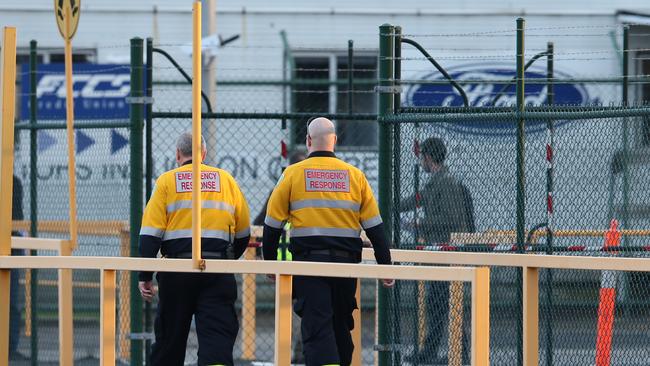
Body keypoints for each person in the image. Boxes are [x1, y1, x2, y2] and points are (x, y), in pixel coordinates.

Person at [262, 117, 394, 366]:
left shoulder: (292, 174)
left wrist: (270, 263)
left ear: (308, 140)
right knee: (341, 327)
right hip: (346, 268)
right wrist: (386, 266)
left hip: (309, 267)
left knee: (317, 330)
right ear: (335, 141)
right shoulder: (356, 176)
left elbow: (271, 227)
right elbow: (376, 229)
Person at [138, 132, 251, 366]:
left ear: (178, 154)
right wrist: (226, 261)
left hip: (176, 272)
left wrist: (145, 276)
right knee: (217, 341)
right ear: (204, 153)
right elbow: (243, 234)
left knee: (169, 342)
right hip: (216, 271)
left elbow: (149, 236)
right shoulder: (226, 181)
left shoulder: (167, 182)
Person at [398, 136, 475, 364]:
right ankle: (434, 352)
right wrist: (388, 205)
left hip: (449, 255)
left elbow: (452, 219)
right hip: (440, 255)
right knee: (439, 305)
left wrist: (419, 224)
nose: (420, 161)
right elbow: (416, 200)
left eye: (422, 157)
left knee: (448, 304)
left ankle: (458, 354)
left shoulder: (447, 183)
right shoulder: (435, 184)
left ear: (428, 158)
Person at [253, 149, 307, 364]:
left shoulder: (285, 189)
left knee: (301, 314)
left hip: (296, 261)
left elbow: (262, 224)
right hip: (292, 263)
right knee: (295, 315)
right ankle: (296, 355)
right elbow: (261, 224)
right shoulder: (282, 191)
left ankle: (299, 354)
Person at [10, 174, 24, 360]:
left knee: (12, 300)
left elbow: (18, 216)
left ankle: (10, 348)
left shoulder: (14, 182)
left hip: (11, 245)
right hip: (13, 244)